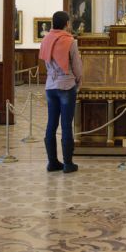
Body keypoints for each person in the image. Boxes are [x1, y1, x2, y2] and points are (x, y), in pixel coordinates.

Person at [39, 11, 83, 173]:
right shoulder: (70, 41)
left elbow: (45, 61)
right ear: (66, 24)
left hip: (50, 85)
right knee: (66, 125)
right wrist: (79, 80)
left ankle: (52, 162)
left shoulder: (46, 39)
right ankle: (68, 164)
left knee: (51, 124)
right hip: (66, 85)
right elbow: (77, 65)